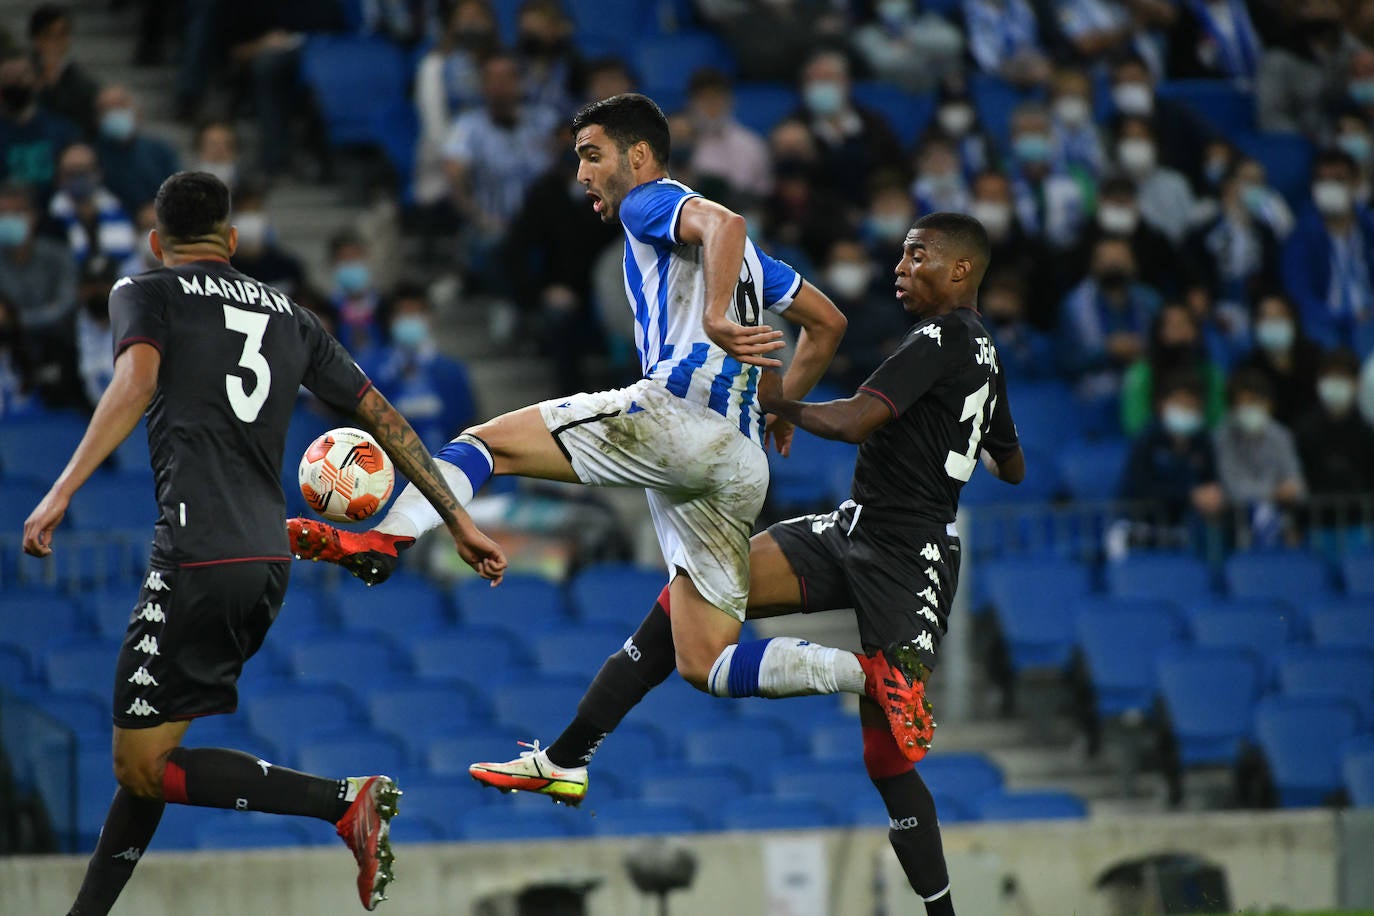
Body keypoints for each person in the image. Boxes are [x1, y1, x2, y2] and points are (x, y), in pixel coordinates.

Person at [287, 97, 953, 766]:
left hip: (679, 419)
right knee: (704, 659)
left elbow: (725, 220)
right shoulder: (754, 261)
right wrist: (782, 408)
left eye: (591, 154)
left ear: (637, 157)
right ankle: (869, 675)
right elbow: (828, 322)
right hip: (740, 462)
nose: (580, 173)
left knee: (488, 443)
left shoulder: (649, 200)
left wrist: (717, 319)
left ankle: (381, 536)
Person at [468, 212, 1023, 916]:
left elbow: (855, 421)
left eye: (918, 257)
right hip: (853, 528)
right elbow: (1014, 465)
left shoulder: (940, 337)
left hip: (909, 560)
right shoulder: (985, 353)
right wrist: (952, 445)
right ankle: (567, 757)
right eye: (904, 256)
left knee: (887, 760)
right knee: (693, 597)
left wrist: (778, 400)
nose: (900, 268)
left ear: (961, 271)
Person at [20, 171, 506, 915]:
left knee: (139, 762)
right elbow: (383, 414)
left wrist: (60, 491)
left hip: (196, 551)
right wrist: (458, 518)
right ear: (233, 239)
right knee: (149, 759)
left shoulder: (143, 291)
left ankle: (343, 802)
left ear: (157, 241)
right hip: (267, 560)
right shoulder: (292, 314)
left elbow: (133, 383)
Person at [1281, 148, 1374, 351]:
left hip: (1369, 315)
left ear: (1356, 183)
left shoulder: (1369, 227)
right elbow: (1300, 294)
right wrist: (1341, 317)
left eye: (1339, 179)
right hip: (1324, 317)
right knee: (1319, 339)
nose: (1330, 186)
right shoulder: (1300, 236)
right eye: (1323, 180)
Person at [1213, 367, 1307, 545]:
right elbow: (1232, 487)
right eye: (1243, 403)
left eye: (1255, 402)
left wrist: (1288, 490)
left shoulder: (1281, 435)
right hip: (1236, 522)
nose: (1250, 409)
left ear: (1269, 405)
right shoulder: (1223, 437)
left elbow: (1297, 485)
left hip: (1280, 520)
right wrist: (1273, 492)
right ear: (1233, 408)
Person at [1120, 301, 1227, 436]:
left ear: (1196, 331)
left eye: (1185, 324)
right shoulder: (1142, 372)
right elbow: (1135, 425)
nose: (1179, 331)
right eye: (1172, 325)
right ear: (1160, 332)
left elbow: (1216, 423)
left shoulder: (1210, 373)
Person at [1294, 347, 1374, 496]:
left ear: (1357, 384)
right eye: (1329, 377)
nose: (1335, 383)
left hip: (1361, 514)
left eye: (1342, 377)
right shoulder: (1304, 429)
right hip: (1315, 513)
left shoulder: (1367, 431)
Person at [1235, 292, 1322, 427]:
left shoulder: (1315, 357)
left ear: (1293, 320)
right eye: (1266, 318)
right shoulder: (1248, 367)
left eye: (1279, 317)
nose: (1273, 323)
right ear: (1256, 325)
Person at [0, 179, 77, 331]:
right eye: (3, 213)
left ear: (34, 215)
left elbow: (66, 304)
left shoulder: (58, 255)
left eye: (17, 212)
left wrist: (17, 321)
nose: (9, 219)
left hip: (54, 340)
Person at [93, 84, 181, 215]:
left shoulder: (160, 151)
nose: (115, 113)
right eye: (107, 109)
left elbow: (179, 191)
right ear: (97, 118)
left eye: (121, 105)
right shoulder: (92, 156)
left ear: (137, 111)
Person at [47, 142, 137, 267]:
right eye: (70, 173)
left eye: (83, 171)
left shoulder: (120, 209)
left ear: (98, 173)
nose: (78, 178)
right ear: (59, 176)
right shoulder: (49, 219)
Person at [0, 50, 80, 190]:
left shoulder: (62, 130)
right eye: (8, 76)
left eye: (20, 77)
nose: (14, 83)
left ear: (37, 82)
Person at [29, 3, 100, 137]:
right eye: (50, 35)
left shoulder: (82, 81)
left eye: (62, 34)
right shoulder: (24, 74)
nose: (57, 42)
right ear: (37, 40)